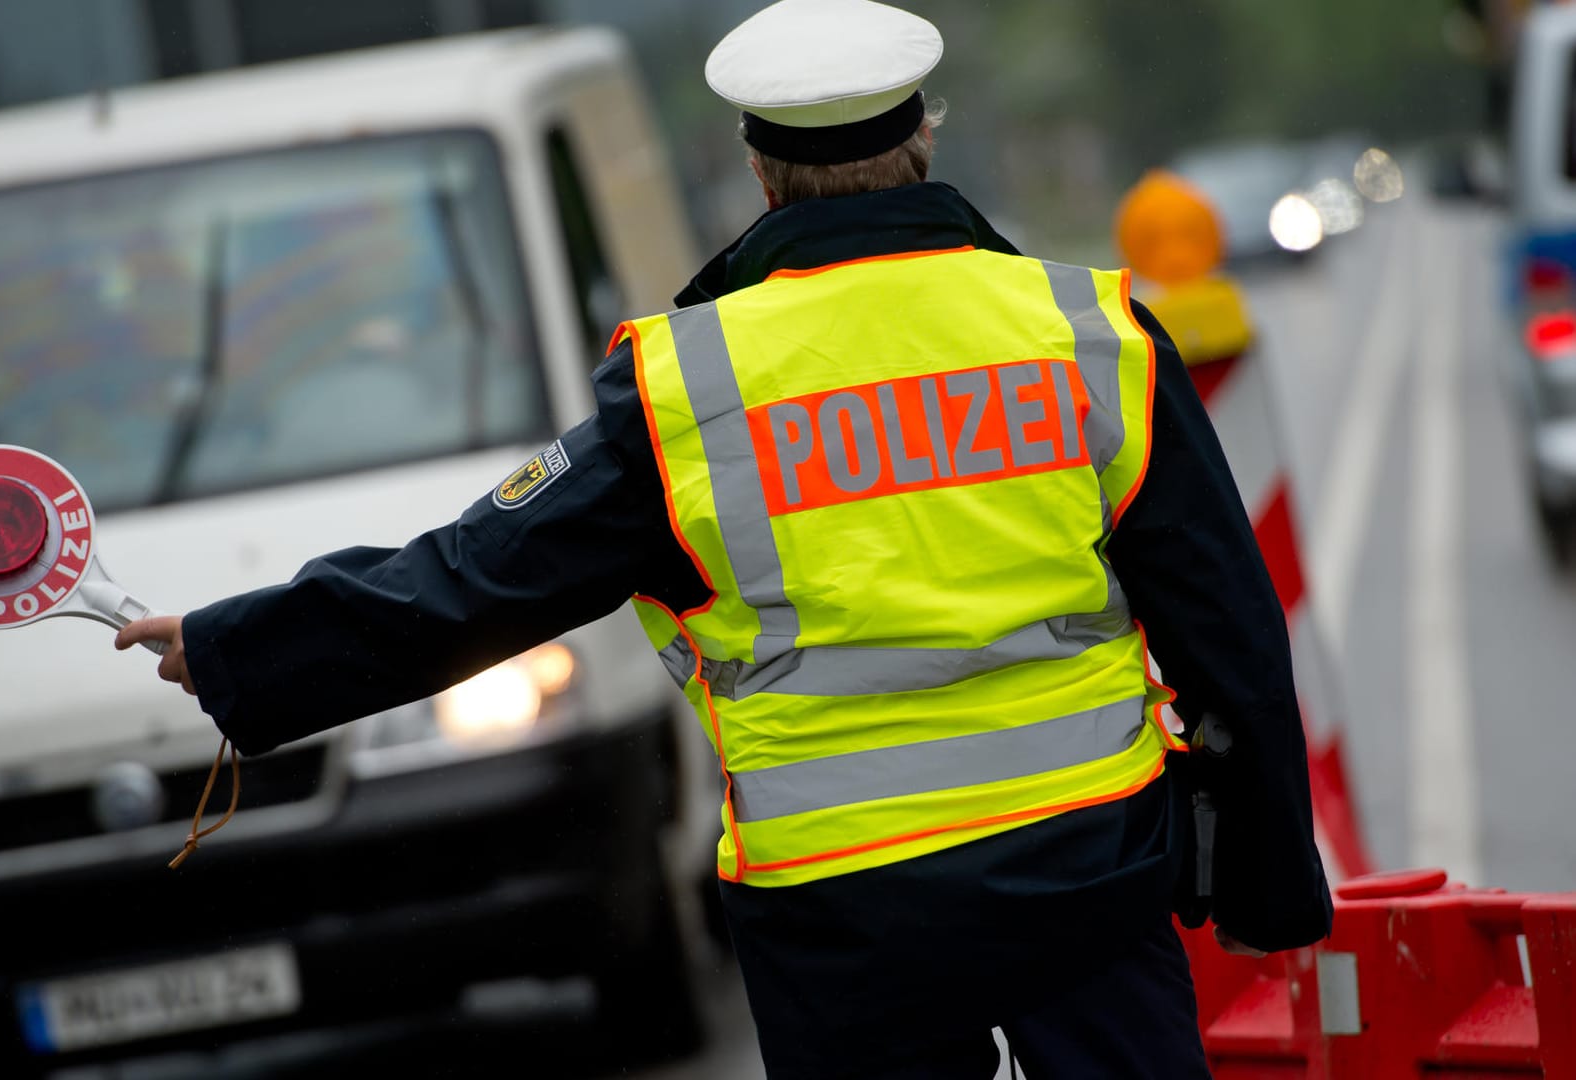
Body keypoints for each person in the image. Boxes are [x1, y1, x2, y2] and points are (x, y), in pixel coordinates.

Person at [117, 1, 1333, 1075]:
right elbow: (1228, 632)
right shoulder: (1087, 331)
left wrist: (240, 649)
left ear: (760, 172)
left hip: (843, 913)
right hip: (1093, 871)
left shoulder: (684, 388)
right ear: (925, 138)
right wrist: (1267, 884)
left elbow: (476, 580)